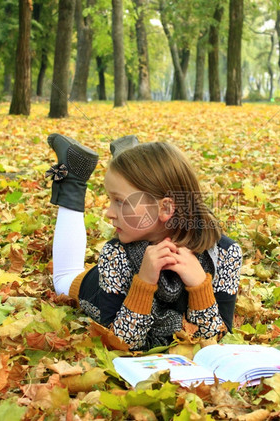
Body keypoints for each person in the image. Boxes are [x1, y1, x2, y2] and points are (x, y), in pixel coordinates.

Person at [46, 133, 242, 351]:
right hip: (94, 285)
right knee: (64, 279)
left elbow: (219, 342)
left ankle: (126, 159)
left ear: (166, 208)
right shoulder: (116, 254)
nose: (108, 213)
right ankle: (75, 177)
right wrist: (144, 284)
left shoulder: (225, 253)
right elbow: (121, 344)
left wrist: (199, 287)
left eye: (120, 201)